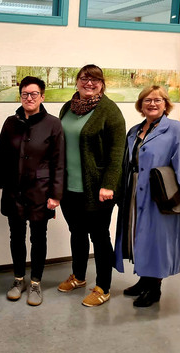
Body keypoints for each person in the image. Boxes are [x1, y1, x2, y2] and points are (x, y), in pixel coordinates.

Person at [115, 85, 180, 307]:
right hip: (135, 191)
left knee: (157, 239)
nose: (152, 104)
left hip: (160, 195)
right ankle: (144, 280)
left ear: (166, 105)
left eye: (158, 100)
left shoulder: (176, 130)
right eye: (147, 100)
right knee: (138, 236)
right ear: (140, 105)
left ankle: (154, 287)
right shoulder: (134, 130)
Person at [57, 64, 126, 307]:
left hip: (98, 190)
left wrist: (108, 184)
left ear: (102, 84)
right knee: (76, 233)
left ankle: (103, 287)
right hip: (69, 188)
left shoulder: (109, 111)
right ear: (76, 82)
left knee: (99, 237)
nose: (89, 83)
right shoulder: (68, 107)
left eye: (95, 79)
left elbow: (118, 152)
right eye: (84, 78)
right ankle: (78, 276)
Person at [0, 76, 64, 306]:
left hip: (40, 192)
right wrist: (2, 183)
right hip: (14, 191)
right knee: (16, 236)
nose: (29, 98)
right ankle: (18, 279)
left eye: (34, 94)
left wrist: (55, 195)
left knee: (38, 237)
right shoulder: (10, 122)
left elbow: (59, 162)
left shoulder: (53, 124)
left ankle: (35, 282)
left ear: (42, 97)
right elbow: (0, 154)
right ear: (20, 96)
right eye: (25, 94)